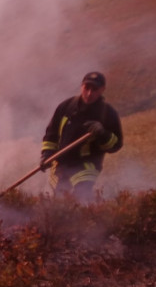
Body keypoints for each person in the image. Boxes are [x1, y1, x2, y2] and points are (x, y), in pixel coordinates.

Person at [40, 72, 123, 201]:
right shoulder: (65, 107)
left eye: (94, 89)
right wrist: (46, 155)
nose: (89, 93)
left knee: (82, 194)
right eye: (87, 88)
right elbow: (51, 135)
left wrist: (102, 134)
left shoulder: (108, 114)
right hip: (61, 162)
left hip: (86, 164)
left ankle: (86, 216)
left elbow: (115, 145)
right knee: (58, 200)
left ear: (102, 90)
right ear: (81, 86)